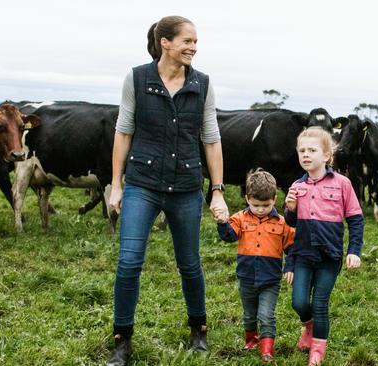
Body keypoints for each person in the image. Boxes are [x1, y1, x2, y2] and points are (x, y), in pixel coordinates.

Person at [106, 15, 229, 366]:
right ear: (165, 42)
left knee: (190, 263)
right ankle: (122, 340)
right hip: (142, 184)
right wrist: (117, 185)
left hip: (187, 186)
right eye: (187, 41)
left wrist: (216, 190)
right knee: (129, 262)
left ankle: (198, 331)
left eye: (195, 41)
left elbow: (211, 138)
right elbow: (124, 131)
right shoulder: (137, 78)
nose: (193, 47)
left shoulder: (203, 84)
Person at [283, 127, 364, 366]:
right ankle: (308, 326)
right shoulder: (297, 186)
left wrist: (354, 250)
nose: (305, 155)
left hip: (329, 256)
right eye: (301, 151)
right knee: (298, 302)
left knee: (320, 303)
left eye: (312, 150)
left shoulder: (342, 184)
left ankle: (317, 349)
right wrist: (290, 209)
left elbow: (356, 219)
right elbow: (290, 225)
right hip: (303, 255)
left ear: (327, 156)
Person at [216, 170, 295, 362]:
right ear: (247, 198)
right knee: (249, 314)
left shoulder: (283, 223)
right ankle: (251, 340)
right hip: (246, 277)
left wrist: (290, 267)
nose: (260, 209)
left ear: (275, 199)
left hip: (270, 280)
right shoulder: (240, 218)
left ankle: (267, 350)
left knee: (266, 315)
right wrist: (222, 222)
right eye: (255, 205)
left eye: (266, 205)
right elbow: (228, 236)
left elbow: (292, 249)